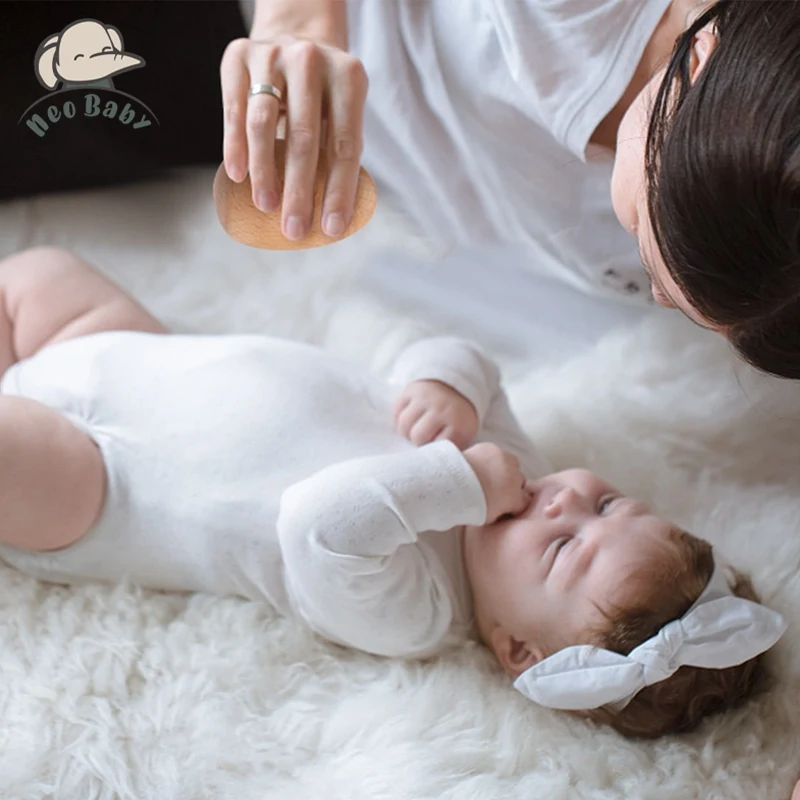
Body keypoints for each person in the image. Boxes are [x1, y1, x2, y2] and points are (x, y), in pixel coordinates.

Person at [0, 245, 785, 739]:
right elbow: (468, 360)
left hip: (101, 485)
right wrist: (447, 384)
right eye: (608, 503)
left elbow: (316, 525)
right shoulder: (520, 469)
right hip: (132, 358)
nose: (564, 502)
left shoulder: (417, 612)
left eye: (562, 548)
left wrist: (458, 482)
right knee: (41, 274)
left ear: (516, 647)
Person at [222, 0, 800, 378]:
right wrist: (297, 24)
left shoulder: (761, 251)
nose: (657, 297)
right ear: (698, 63)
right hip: (245, 63)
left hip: (327, 201)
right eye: (637, 227)